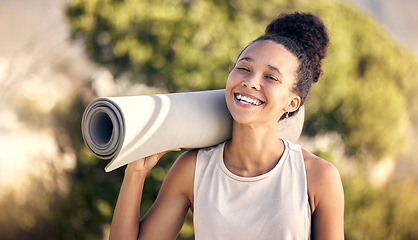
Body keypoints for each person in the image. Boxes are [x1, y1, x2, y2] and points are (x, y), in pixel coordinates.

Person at [109, 12, 344, 240]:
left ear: (292, 103)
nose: (250, 82)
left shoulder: (317, 176)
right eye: (244, 68)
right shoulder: (193, 168)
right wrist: (135, 174)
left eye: (270, 77)